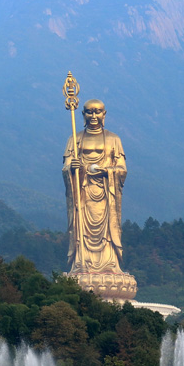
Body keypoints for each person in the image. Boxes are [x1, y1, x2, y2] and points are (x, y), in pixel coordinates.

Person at [63, 99, 128, 275]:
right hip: (83, 194)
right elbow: (67, 167)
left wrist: (107, 171)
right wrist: (73, 168)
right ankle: (82, 264)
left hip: (106, 193)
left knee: (106, 231)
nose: (93, 116)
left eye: (97, 112)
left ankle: (109, 265)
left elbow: (122, 169)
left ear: (104, 114)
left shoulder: (114, 139)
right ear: (83, 115)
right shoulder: (74, 140)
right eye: (89, 112)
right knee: (82, 228)